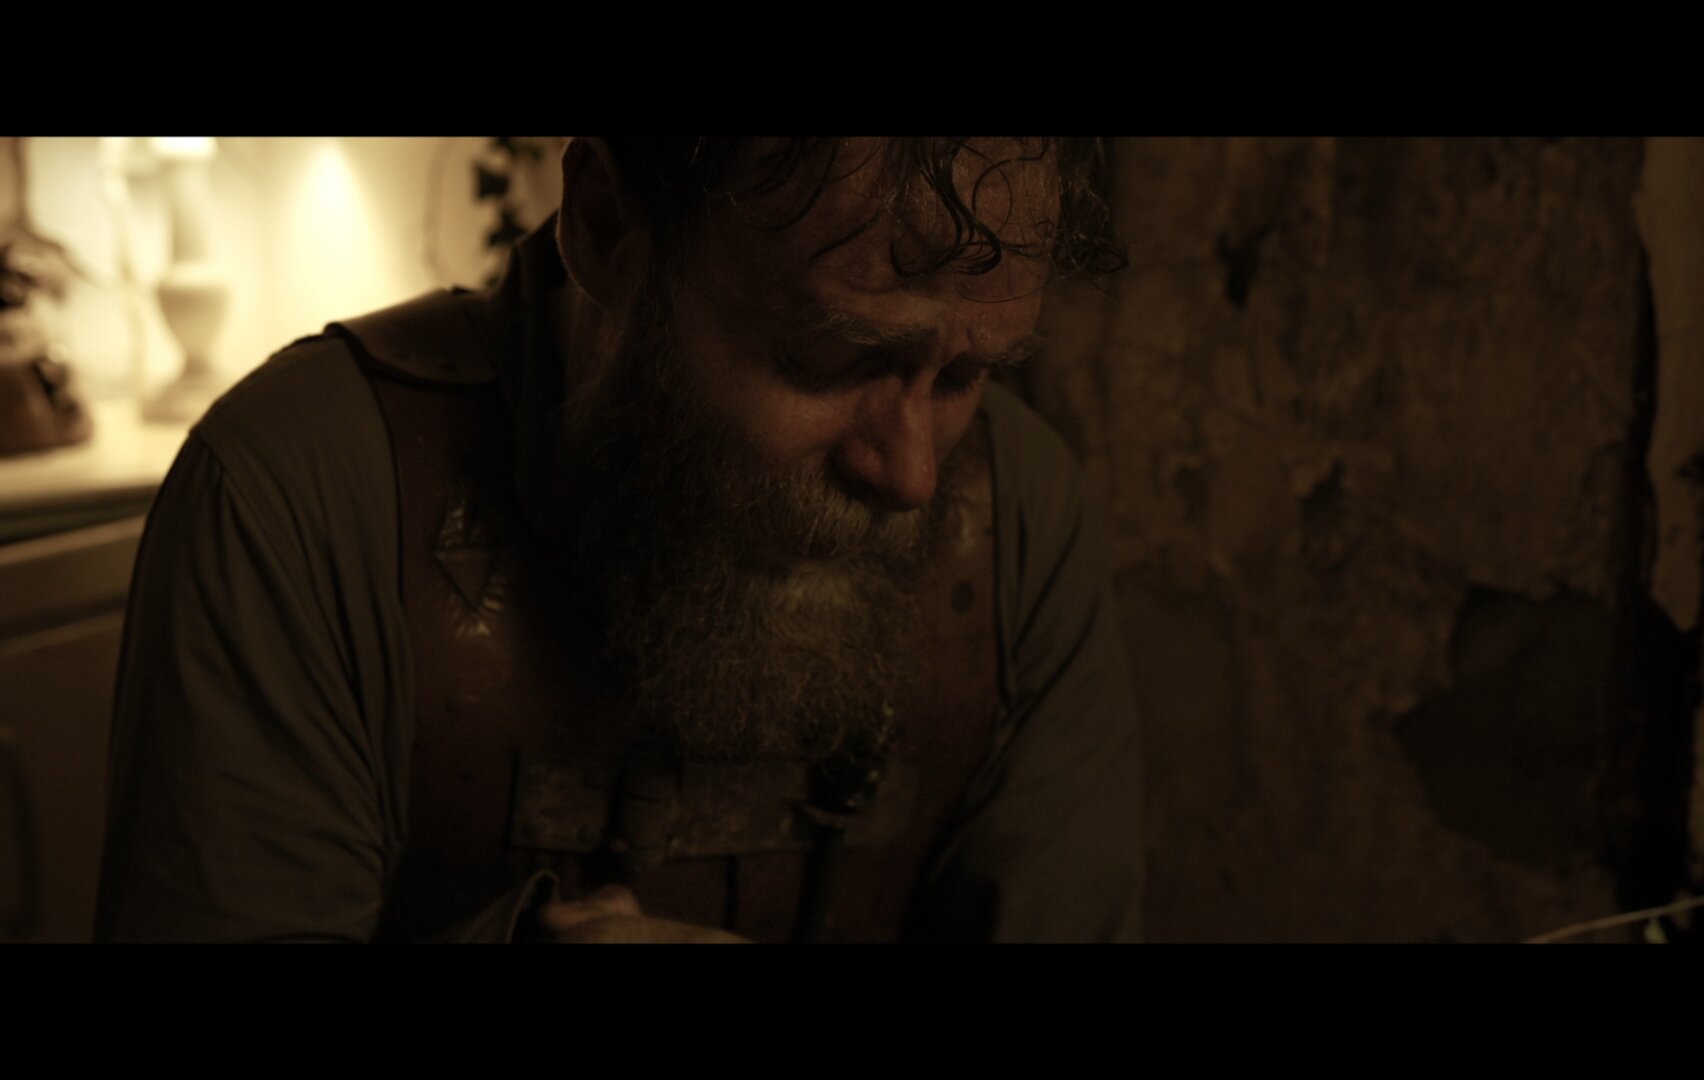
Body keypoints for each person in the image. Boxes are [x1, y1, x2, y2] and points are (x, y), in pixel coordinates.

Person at [93, 137, 1144, 943]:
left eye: (966, 376)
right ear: (604, 227)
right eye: (833, 360)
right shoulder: (309, 490)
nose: (913, 477)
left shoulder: (1018, 513)